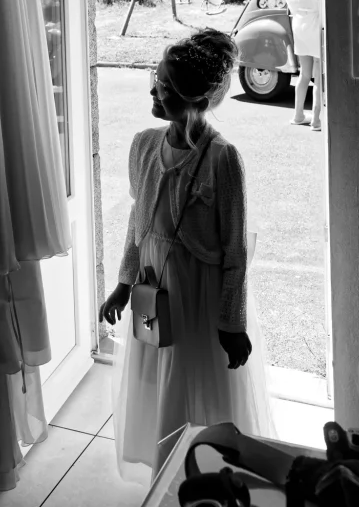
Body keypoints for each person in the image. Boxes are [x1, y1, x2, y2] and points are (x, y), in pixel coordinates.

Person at [100, 29, 275, 481]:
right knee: (161, 385)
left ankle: (207, 474)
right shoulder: (143, 145)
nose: (152, 90)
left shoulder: (223, 159)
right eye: (155, 79)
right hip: (154, 291)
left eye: (162, 84)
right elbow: (138, 224)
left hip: (199, 299)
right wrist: (123, 285)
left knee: (198, 386)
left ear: (190, 96)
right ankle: (168, 475)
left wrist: (231, 323)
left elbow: (234, 251)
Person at [286, 0, 322, 131]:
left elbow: (290, 3)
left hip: (298, 24)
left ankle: (298, 114)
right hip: (315, 24)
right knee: (318, 76)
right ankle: (316, 120)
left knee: (304, 73)